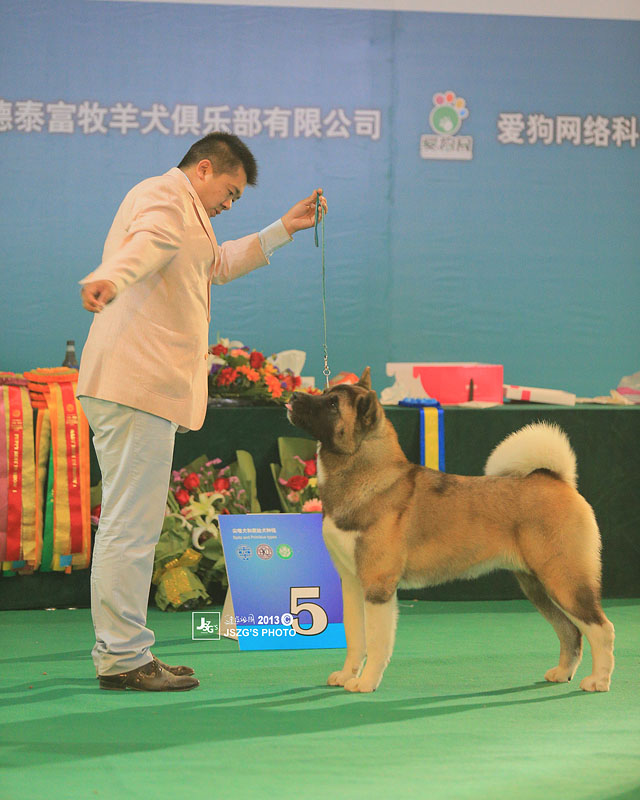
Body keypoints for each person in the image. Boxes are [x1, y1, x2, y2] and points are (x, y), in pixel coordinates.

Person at [76, 132, 327, 691]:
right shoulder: (165, 197)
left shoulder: (189, 209)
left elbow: (216, 264)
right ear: (205, 169)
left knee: (131, 524)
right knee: (130, 526)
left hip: (139, 387)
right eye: (230, 192)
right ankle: (122, 657)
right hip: (135, 384)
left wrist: (283, 229)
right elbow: (146, 244)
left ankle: (124, 651)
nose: (230, 204)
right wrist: (111, 276)